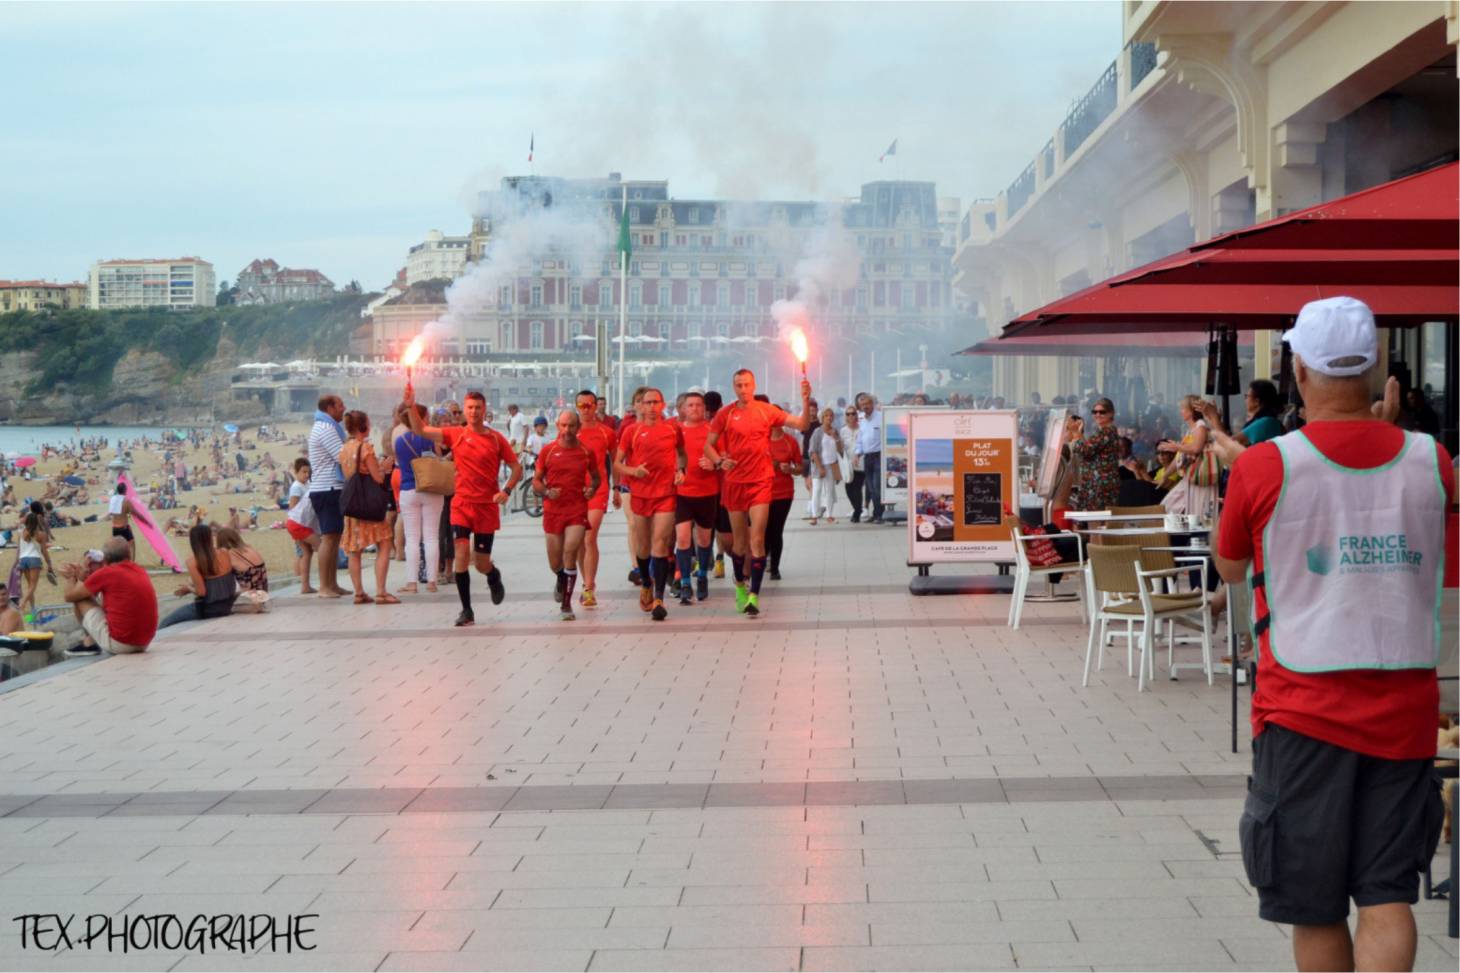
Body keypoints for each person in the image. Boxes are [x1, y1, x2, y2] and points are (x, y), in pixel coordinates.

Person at [1214, 296, 1453, 973]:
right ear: (1377, 365)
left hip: (1301, 713)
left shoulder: (1266, 464)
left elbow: (1231, 565)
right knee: (1386, 895)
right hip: (1405, 714)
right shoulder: (1431, 460)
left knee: (1315, 903)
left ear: (1299, 370)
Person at [404, 387, 521, 627]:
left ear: (485, 409)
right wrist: (410, 406)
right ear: (464, 411)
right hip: (462, 504)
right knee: (460, 553)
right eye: (470, 408)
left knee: (480, 562)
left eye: (478, 408)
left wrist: (506, 490)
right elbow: (421, 429)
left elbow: (516, 468)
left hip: (487, 506)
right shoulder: (455, 433)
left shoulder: (496, 438)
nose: (474, 412)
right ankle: (466, 610)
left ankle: (492, 574)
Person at [703, 368, 814, 616]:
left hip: (761, 481)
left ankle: (754, 595)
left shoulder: (766, 411)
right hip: (734, 483)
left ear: (754, 386)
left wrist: (805, 400)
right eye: (739, 385)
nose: (743, 389)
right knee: (738, 544)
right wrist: (720, 461)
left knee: (757, 539)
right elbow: (708, 446)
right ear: (734, 387)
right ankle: (740, 585)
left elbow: (802, 424)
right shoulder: (726, 413)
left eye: (747, 385)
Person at [614, 387, 686, 621]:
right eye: (648, 403)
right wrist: (634, 471)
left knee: (661, 543)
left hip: (666, 493)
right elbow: (616, 464)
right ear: (641, 406)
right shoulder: (632, 431)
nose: (652, 407)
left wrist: (681, 471)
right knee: (643, 547)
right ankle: (646, 580)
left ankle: (659, 599)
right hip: (641, 495)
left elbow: (682, 454)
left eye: (656, 402)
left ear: (663, 404)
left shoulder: (673, 428)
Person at [533, 410, 600, 621]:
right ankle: (561, 577)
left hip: (577, 509)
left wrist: (592, 489)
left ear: (578, 427)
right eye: (563, 425)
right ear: (557, 425)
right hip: (553, 511)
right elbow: (536, 481)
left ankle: (566, 604)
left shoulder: (586, 452)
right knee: (555, 562)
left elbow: (597, 478)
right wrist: (546, 491)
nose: (567, 430)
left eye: (571, 426)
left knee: (570, 551)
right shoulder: (548, 451)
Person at [339, 410, 398, 606]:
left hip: (353, 506)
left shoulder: (345, 448)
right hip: (368, 506)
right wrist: (385, 467)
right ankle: (381, 592)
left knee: (354, 550)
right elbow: (377, 477)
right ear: (364, 426)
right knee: (384, 542)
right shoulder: (365, 448)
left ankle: (359, 592)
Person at [60, 537, 156, 655]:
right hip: (144, 642)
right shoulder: (139, 570)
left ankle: (89, 644)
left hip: (122, 644)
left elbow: (70, 596)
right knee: (93, 599)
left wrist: (72, 577)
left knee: (80, 599)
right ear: (129, 554)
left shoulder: (107, 573)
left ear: (106, 558)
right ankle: (90, 641)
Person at [671, 391, 718, 604]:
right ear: (683, 409)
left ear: (705, 408)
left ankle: (702, 577)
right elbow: (669, 457)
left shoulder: (713, 431)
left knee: (704, 539)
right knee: (682, 538)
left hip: (707, 492)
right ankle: (685, 582)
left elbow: (725, 456)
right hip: (682, 493)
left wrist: (714, 464)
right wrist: (675, 472)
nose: (695, 409)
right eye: (690, 405)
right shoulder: (676, 431)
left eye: (699, 405)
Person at [394, 403, 443, 595]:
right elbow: (438, 458)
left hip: (408, 489)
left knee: (412, 538)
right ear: (421, 417)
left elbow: (400, 463)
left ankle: (412, 583)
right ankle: (432, 581)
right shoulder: (430, 438)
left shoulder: (399, 441)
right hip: (431, 488)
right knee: (431, 537)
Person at [574, 390, 616, 608]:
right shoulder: (570, 432)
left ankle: (589, 587)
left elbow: (616, 461)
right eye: (582, 406)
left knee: (590, 536)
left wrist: (617, 488)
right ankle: (585, 581)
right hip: (575, 492)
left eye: (590, 405)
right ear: (577, 407)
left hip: (598, 490)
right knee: (580, 540)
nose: (587, 409)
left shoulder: (606, 432)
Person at [307, 394, 350, 599]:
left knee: (335, 538)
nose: (344, 408)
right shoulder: (326, 428)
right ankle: (324, 586)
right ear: (330, 408)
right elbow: (342, 456)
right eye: (340, 405)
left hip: (331, 487)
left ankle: (332, 583)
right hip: (327, 488)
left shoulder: (328, 427)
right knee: (329, 538)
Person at [158, 525, 237, 628]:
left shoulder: (193, 562)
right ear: (210, 537)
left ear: (193, 541)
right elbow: (220, 580)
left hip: (208, 610)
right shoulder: (224, 552)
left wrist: (189, 588)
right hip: (228, 604)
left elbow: (201, 592)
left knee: (165, 622)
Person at [1159, 394, 1217, 519]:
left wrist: (1177, 447)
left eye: (1183, 409)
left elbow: (1196, 448)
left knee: (1199, 516)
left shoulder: (1200, 426)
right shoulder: (1190, 429)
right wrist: (1165, 475)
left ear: (1191, 411)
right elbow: (1179, 458)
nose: (1181, 412)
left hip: (1201, 477)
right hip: (1190, 478)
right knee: (1166, 507)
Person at [1066, 398, 1120, 512]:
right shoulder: (1105, 431)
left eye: (1102, 412)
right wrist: (1079, 433)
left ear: (1111, 413)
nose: (1098, 415)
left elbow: (1084, 450)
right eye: (1095, 412)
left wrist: (1075, 432)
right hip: (1096, 483)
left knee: (1096, 521)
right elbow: (1089, 448)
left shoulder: (1106, 432)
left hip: (1099, 486)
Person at [766, 419, 802, 580]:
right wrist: (771, 464)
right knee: (763, 530)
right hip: (762, 492)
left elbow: (800, 468)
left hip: (783, 493)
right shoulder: (760, 440)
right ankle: (760, 562)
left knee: (776, 530)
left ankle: (774, 567)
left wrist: (791, 469)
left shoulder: (790, 442)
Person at [285, 458, 319, 594]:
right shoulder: (296, 487)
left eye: (308, 472)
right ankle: (326, 582)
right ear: (296, 472)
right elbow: (292, 507)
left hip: (302, 524)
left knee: (307, 552)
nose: (306, 475)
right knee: (321, 546)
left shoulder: (307, 484)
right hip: (298, 523)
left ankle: (305, 586)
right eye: (303, 472)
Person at [808, 406, 842, 525]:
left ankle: (829, 515)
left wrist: (836, 438)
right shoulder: (818, 432)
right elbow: (813, 451)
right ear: (822, 418)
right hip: (819, 466)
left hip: (832, 465)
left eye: (831, 415)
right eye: (826, 415)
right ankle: (814, 515)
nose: (829, 418)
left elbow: (840, 450)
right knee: (816, 490)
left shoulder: (835, 431)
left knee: (830, 490)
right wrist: (820, 467)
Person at [855, 393, 885, 523]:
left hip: (879, 455)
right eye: (862, 405)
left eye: (867, 404)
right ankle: (876, 512)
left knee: (877, 486)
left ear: (872, 404)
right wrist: (857, 454)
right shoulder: (861, 419)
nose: (865, 407)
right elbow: (860, 439)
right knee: (871, 488)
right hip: (867, 457)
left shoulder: (881, 417)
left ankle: (880, 514)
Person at [215, 526, 268, 595]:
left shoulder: (231, 554)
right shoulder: (249, 548)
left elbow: (219, 574)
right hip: (263, 593)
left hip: (249, 596)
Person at [840, 407, 864, 522]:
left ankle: (857, 513)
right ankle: (857, 509)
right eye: (848, 414)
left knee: (857, 488)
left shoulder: (862, 428)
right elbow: (840, 448)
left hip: (860, 463)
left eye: (853, 414)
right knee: (848, 489)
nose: (850, 416)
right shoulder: (843, 431)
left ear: (857, 415)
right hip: (847, 464)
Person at [108, 483, 136, 560]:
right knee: (131, 544)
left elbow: (111, 513)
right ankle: (132, 562)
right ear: (125, 490)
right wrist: (147, 522)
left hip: (114, 528)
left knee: (117, 547)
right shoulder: (126, 500)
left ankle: (117, 562)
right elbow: (134, 512)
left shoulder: (113, 499)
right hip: (123, 528)